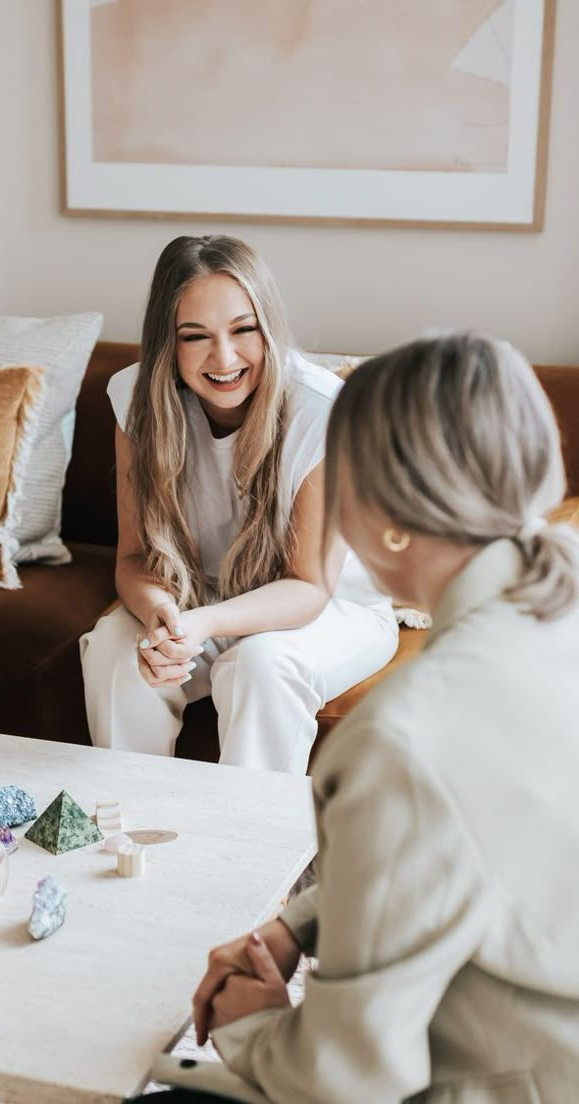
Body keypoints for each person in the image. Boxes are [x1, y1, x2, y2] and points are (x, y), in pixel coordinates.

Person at [140, 332, 579, 1102]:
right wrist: (300, 922)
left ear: (384, 518)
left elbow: (347, 1079)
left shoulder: (400, 740)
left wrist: (249, 1022)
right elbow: (460, 849)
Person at [80, 235, 398, 772]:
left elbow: (310, 586)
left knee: (260, 664)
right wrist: (162, 616)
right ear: (167, 343)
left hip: (332, 605)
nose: (224, 358)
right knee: (118, 651)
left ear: (266, 327)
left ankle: (249, 851)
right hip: (201, 595)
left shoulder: (321, 412)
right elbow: (134, 560)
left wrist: (200, 624)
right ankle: (133, 836)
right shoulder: (137, 402)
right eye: (195, 336)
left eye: (243, 329)